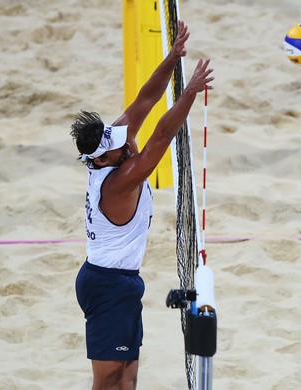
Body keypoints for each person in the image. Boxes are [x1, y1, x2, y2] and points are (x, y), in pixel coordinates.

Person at [70, 19, 214, 390]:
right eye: (116, 146)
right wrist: (190, 93)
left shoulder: (111, 147)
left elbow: (146, 100)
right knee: (108, 381)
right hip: (107, 285)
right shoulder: (117, 182)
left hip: (121, 281)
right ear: (100, 161)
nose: (124, 141)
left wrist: (172, 57)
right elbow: (162, 136)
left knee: (129, 376)